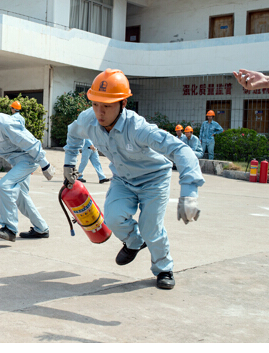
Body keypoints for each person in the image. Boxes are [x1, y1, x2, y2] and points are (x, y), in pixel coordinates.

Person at [63, 69, 204, 290]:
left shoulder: (138, 128)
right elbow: (73, 134)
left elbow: (180, 150)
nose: (100, 112)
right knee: (112, 217)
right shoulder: (88, 120)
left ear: (123, 103)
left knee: (151, 228)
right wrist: (69, 163)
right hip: (122, 179)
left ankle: (163, 268)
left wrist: (189, 192)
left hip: (153, 180)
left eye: (107, 106)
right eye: (96, 104)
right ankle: (135, 242)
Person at [0, 89, 56, 242]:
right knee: (20, 196)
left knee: (4, 186)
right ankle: (41, 228)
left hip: (27, 159)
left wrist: (45, 165)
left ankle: (9, 228)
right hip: (16, 162)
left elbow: (30, 142)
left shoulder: (4, 123)